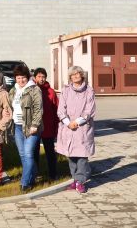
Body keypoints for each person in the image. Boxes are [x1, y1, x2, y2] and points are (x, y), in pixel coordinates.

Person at [56, 65, 96, 194]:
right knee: (71, 156)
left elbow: (89, 110)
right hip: (68, 128)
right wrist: (68, 122)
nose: (75, 76)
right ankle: (75, 179)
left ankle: (80, 181)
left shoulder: (89, 90)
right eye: (73, 75)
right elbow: (61, 109)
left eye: (78, 73)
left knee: (82, 156)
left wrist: (77, 122)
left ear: (82, 75)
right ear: (70, 77)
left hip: (82, 128)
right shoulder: (66, 90)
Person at [8, 64, 43, 192]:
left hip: (31, 127)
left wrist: (35, 125)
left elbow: (39, 109)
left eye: (23, 77)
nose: (21, 80)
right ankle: (32, 177)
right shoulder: (13, 90)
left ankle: (25, 182)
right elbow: (10, 106)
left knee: (28, 154)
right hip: (17, 126)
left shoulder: (34, 89)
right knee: (23, 154)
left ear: (28, 77)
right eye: (18, 77)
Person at [33, 67, 59, 181]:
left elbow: (57, 110)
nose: (41, 79)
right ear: (35, 78)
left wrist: (57, 127)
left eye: (43, 77)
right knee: (34, 152)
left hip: (48, 127)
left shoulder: (51, 92)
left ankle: (53, 174)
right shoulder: (31, 90)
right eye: (39, 76)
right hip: (35, 127)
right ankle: (34, 173)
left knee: (50, 152)